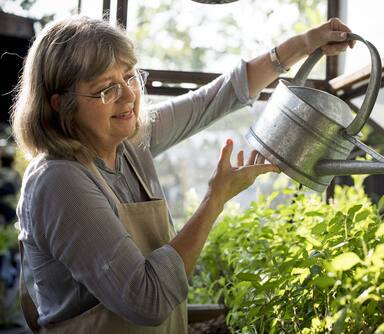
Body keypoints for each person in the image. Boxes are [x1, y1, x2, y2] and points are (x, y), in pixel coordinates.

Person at [11, 15, 353, 333]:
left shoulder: (129, 143)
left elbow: (216, 97)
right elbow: (148, 301)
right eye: (106, 89)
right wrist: (215, 198)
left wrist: (306, 42)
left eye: (129, 76)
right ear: (60, 104)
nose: (129, 96)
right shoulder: (59, 182)